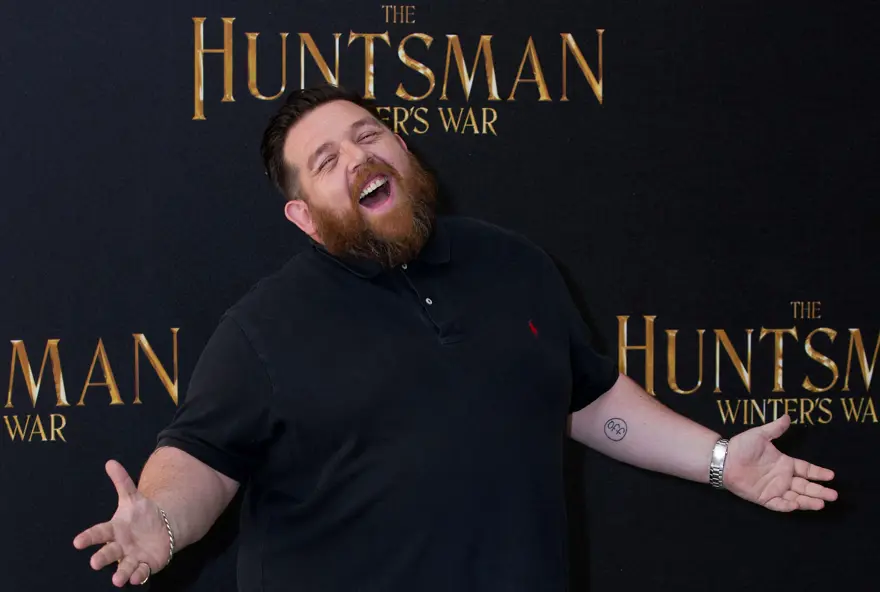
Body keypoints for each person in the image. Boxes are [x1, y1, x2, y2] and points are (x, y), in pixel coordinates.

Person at [73, 84, 838, 591]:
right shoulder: (263, 327)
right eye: (328, 161)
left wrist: (719, 461)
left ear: (404, 150)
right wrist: (162, 522)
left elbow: (588, 399)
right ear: (304, 217)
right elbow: (202, 461)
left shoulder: (515, 263)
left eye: (368, 135)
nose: (359, 158)